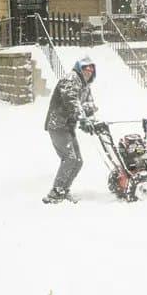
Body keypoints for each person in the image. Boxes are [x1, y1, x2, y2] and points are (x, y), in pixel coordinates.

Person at [42, 56, 98, 204]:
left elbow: (88, 105)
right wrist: (83, 119)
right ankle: (55, 192)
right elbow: (71, 101)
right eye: (86, 68)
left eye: (91, 68)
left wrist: (92, 119)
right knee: (70, 158)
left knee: (78, 161)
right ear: (80, 68)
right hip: (58, 125)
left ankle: (64, 190)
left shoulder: (85, 86)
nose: (89, 71)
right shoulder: (71, 79)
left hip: (68, 126)